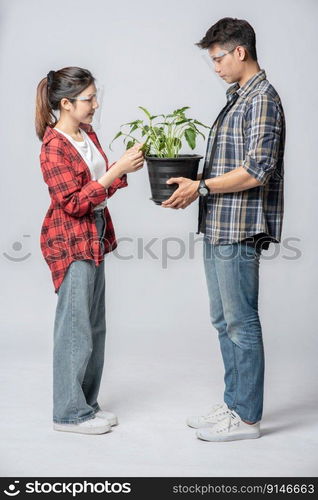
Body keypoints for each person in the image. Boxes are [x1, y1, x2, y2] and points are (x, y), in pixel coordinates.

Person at [162, 18, 285, 441]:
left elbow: (258, 169)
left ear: (239, 52)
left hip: (239, 227)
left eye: (217, 58)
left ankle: (247, 417)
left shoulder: (262, 99)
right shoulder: (238, 97)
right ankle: (233, 401)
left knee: (241, 322)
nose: (214, 67)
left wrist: (202, 186)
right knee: (222, 319)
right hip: (217, 224)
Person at [35, 67, 144, 435]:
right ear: (66, 104)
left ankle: (86, 405)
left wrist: (121, 167)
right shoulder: (53, 148)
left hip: (94, 234)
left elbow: (97, 190)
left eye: (95, 97)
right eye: (89, 99)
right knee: (74, 328)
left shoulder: (87, 134)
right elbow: (73, 203)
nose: (96, 105)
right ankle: (68, 414)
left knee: (94, 326)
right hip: (70, 238)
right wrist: (113, 174)